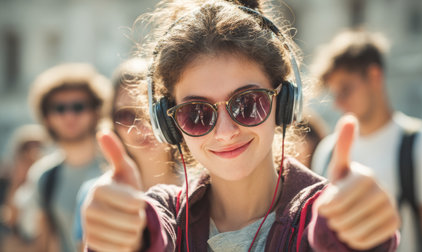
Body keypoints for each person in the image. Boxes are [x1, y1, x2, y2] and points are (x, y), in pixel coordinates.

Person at [83, 1, 400, 251]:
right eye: (196, 113)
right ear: (170, 124)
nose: (225, 131)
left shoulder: (324, 214)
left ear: (284, 101)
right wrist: (126, 237)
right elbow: (151, 235)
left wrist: (351, 237)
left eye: (248, 103)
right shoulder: (162, 214)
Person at [310, 29, 422, 252]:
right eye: (334, 94)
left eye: (346, 89)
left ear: (375, 76)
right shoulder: (328, 152)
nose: (339, 103)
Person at [73, 58, 183, 249]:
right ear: (112, 122)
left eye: (151, 112)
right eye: (126, 116)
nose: (140, 126)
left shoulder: (206, 188)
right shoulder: (97, 195)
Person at [20, 63, 113, 252]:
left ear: (96, 112)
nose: (69, 115)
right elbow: (44, 242)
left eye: (78, 107)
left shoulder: (116, 167)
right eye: (59, 108)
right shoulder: (44, 176)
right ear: (46, 117)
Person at [0, 124, 48, 251]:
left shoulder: (50, 178)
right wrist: (17, 179)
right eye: (25, 151)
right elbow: (11, 219)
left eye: (38, 148)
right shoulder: (8, 182)